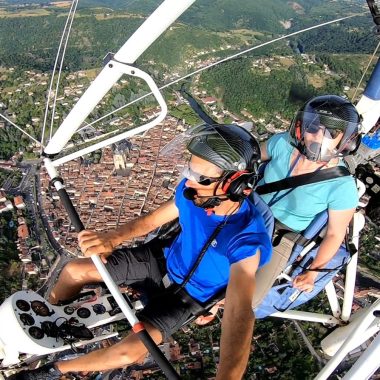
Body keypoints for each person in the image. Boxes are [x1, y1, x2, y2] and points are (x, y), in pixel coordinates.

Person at [11, 124, 272, 380]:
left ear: (235, 186)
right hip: (160, 260)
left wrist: (228, 376)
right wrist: (111, 238)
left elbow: (239, 312)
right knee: (73, 271)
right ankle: (50, 314)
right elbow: (150, 221)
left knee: (128, 353)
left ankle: (52, 371)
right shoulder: (192, 194)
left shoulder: (246, 239)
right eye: (190, 169)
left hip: (187, 298)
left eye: (201, 177)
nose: (190, 182)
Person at [251, 95, 360, 311]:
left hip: (281, 236)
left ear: (346, 140)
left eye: (331, 132)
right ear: (301, 127)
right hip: (247, 208)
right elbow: (248, 158)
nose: (319, 136)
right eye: (314, 127)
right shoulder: (282, 144)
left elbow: (334, 235)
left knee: (247, 302)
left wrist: (312, 272)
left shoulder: (342, 186)